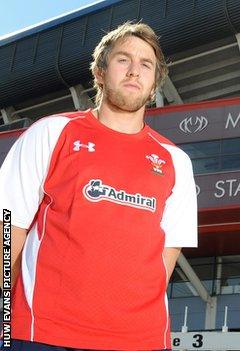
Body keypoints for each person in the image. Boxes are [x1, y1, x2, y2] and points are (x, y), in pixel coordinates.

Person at [0, 22, 197, 350]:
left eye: (145, 64)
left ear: (154, 85)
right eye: (123, 60)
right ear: (100, 72)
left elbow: (167, 255)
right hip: (43, 334)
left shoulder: (176, 161)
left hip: (140, 340)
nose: (135, 71)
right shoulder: (50, 133)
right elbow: (9, 229)